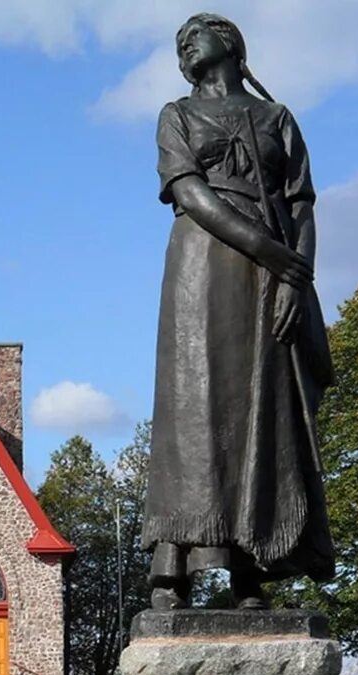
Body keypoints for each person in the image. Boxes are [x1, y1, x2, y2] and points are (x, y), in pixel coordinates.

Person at [143, 12, 335, 609]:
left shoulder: (277, 119)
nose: (183, 44)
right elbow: (190, 193)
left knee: (264, 410)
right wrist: (273, 254)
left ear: (227, 43)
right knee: (193, 410)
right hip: (203, 265)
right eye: (179, 42)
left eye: (193, 34)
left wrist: (293, 280)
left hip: (272, 272)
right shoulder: (177, 115)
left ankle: (254, 567)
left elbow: (301, 203)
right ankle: (173, 568)